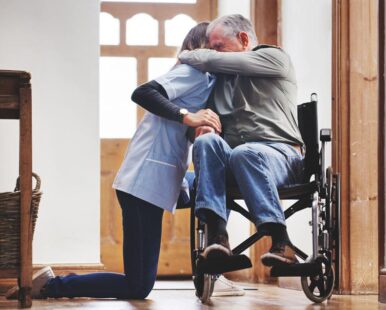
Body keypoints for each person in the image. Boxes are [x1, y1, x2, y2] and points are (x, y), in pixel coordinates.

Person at [6, 22, 242, 300]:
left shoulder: (206, 81)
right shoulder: (193, 73)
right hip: (142, 188)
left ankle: (214, 264)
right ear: (202, 47)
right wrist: (187, 116)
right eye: (213, 46)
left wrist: (199, 127)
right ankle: (51, 286)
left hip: (160, 181)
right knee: (138, 286)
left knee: (216, 185)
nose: (218, 53)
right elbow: (142, 93)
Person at [178, 14, 305, 267]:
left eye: (218, 47)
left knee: (245, 153)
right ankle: (217, 237)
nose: (214, 54)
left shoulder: (274, 58)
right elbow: (202, 130)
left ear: (243, 39)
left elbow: (205, 59)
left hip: (282, 157)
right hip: (238, 162)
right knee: (208, 144)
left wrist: (185, 55)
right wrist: (202, 131)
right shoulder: (220, 83)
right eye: (212, 49)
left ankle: (281, 240)